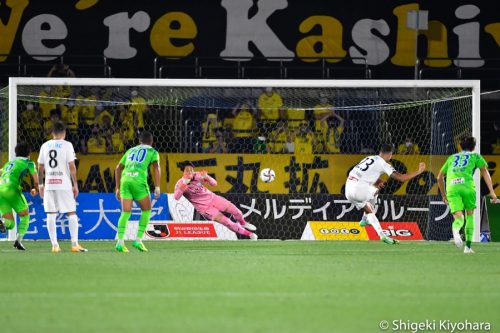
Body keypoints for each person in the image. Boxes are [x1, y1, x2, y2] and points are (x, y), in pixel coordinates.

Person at [345, 144, 426, 245]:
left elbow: (361, 172)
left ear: (380, 152)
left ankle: (364, 219)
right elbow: (401, 178)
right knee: (370, 208)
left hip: (348, 188)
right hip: (359, 189)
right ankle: (382, 235)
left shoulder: (369, 158)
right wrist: (419, 171)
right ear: (390, 154)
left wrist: (377, 180)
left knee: (374, 192)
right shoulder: (383, 164)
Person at [437, 136, 499, 254]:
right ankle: (468, 247)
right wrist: (492, 192)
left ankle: (455, 230)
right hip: (467, 186)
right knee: (470, 215)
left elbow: (439, 177)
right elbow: (485, 172)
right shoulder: (475, 156)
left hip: (452, 187)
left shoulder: (452, 157)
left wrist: (444, 195)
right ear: (474, 147)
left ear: (460, 146)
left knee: (459, 217)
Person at [174, 162, 257, 240]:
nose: (190, 172)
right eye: (187, 170)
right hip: (206, 209)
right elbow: (176, 197)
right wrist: (184, 185)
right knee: (227, 222)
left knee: (237, 212)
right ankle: (249, 234)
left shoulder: (198, 176)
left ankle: (243, 223)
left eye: (191, 170)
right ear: (183, 171)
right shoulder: (180, 183)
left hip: (214, 199)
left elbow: (214, 183)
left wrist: (207, 177)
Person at [38, 121, 87, 253]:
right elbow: (72, 166)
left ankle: (55, 245)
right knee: (71, 212)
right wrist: (75, 184)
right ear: (64, 133)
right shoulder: (67, 145)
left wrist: (40, 184)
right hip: (64, 183)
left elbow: (40, 167)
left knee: (51, 214)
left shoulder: (45, 145)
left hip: (49, 184)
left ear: (52, 133)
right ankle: (74, 244)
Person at [115, 131, 161, 253]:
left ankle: (120, 242)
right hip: (138, 181)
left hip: (125, 180)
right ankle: (138, 240)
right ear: (152, 142)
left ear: (139, 141)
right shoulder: (152, 152)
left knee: (125, 212)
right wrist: (157, 187)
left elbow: (118, 167)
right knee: (146, 210)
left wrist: (117, 188)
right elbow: (156, 167)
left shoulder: (130, 150)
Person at [0, 143, 39, 250]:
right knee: (25, 215)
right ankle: (18, 241)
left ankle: (3, 222)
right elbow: (36, 181)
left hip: (0, 190)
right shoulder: (29, 162)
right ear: (29, 154)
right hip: (12, 190)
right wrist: (38, 189)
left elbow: (1, 173)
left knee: (10, 224)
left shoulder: (9, 163)